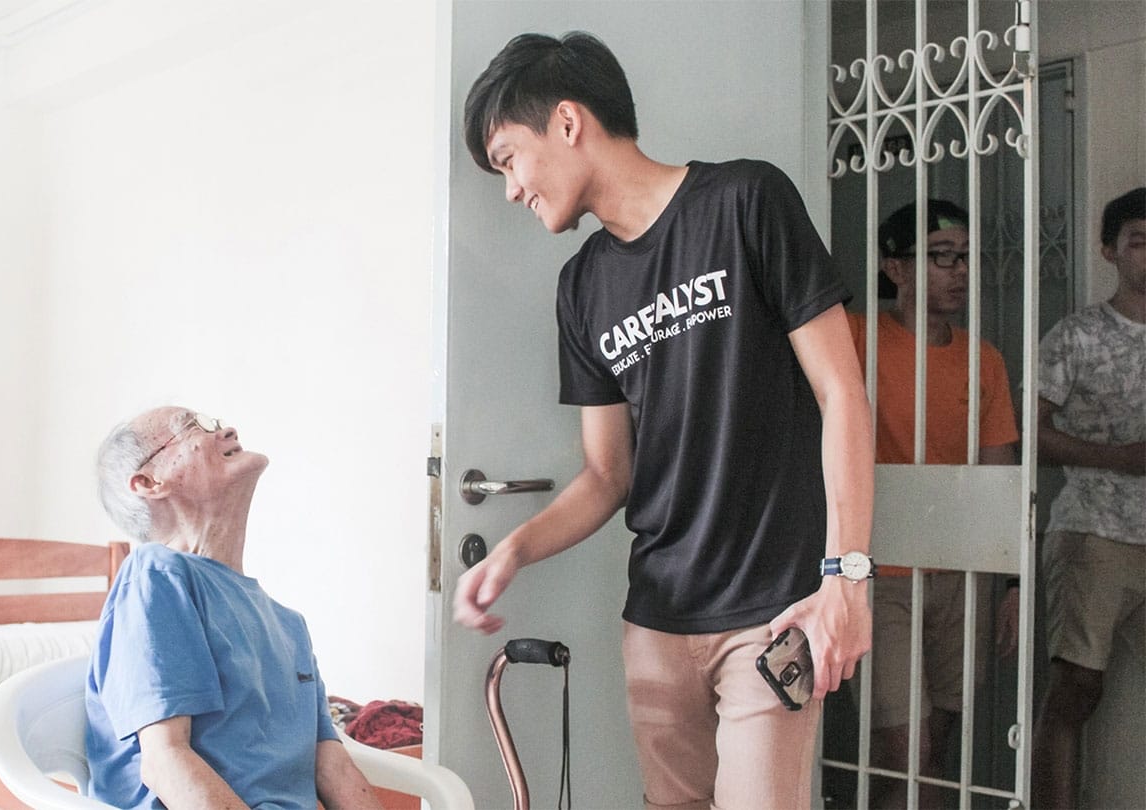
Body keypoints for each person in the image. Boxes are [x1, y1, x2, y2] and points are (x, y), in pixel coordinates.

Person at [453, 31, 875, 810]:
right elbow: (608, 475)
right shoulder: (581, 289)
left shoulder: (746, 200)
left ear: (568, 122)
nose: (511, 189)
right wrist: (514, 550)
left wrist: (846, 575)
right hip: (656, 621)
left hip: (770, 608)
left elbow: (842, 395)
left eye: (509, 157)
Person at [85, 405, 382, 810]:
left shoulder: (287, 624)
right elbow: (165, 762)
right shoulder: (157, 575)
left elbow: (332, 768)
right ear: (149, 482)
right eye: (194, 427)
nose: (226, 431)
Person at [848, 200, 1020, 808]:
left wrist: (1010, 585)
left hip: (961, 575)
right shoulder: (856, 337)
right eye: (942, 256)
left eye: (966, 257)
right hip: (880, 571)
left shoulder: (985, 360)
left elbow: (998, 476)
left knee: (937, 746)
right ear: (895, 268)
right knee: (908, 748)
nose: (960, 271)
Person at [1031, 187, 1145, 809]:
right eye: (1139, 240)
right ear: (1110, 250)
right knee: (1077, 687)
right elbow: (1031, 436)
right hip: (1094, 531)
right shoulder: (1077, 335)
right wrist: (1119, 458)